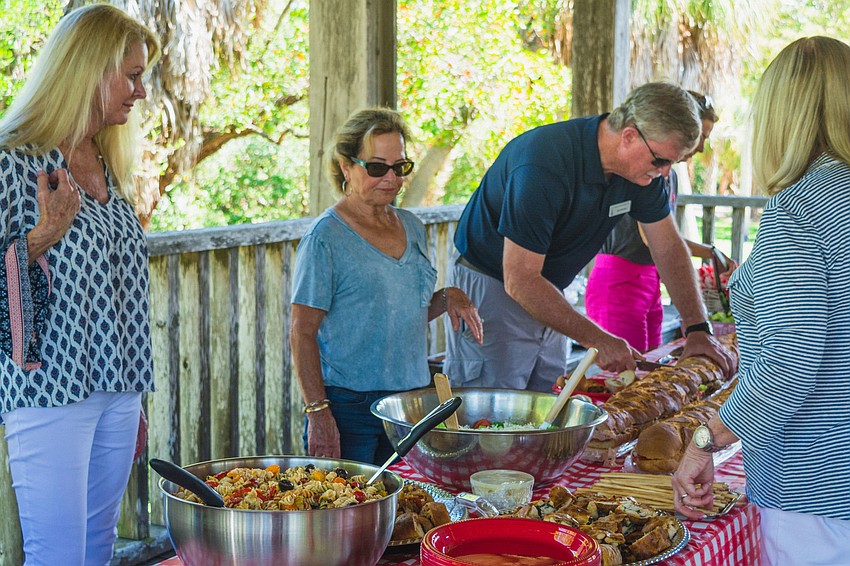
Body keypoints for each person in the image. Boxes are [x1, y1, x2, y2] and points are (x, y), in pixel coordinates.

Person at [672, 36, 850, 563]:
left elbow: (789, 362)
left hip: (819, 491)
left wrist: (706, 440)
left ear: (779, 117)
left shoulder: (798, 214)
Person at [444, 81, 737, 392]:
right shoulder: (544, 164)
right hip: (494, 287)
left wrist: (697, 328)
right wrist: (597, 338)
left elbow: (668, 246)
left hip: (551, 288)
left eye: (672, 163)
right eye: (661, 161)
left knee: (548, 406)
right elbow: (520, 279)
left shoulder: (642, 173)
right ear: (629, 136)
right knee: (493, 412)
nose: (665, 173)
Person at [0, 5, 159, 565]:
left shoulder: (105, 161)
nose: (141, 91)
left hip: (118, 387)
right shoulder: (13, 161)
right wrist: (42, 236)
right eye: (132, 75)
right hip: (49, 390)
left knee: (96, 550)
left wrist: (133, 400)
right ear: (88, 69)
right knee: (58, 556)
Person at [290, 107, 482, 465]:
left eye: (401, 167)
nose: (391, 178)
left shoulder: (412, 226)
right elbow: (302, 332)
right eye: (377, 167)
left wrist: (446, 298)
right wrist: (318, 413)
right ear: (346, 166)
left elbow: (400, 311)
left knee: (404, 514)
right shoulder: (325, 239)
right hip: (350, 408)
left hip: (411, 404)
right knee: (348, 514)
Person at [585, 91, 736, 352]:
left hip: (650, 279)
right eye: (700, 137)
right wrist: (710, 252)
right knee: (624, 377)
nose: (699, 147)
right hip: (620, 278)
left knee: (652, 370)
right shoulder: (640, 168)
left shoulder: (669, 175)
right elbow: (655, 240)